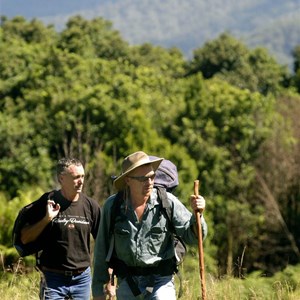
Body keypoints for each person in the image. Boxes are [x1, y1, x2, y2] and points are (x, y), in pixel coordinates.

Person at [92, 151, 207, 300]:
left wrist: (198, 214)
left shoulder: (167, 202)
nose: (150, 182)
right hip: (127, 282)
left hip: (161, 281)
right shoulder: (112, 206)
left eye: (152, 176)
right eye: (143, 179)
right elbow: (102, 248)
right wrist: (98, 290)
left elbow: (193, 237)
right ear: (128, 180)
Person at [20, 157, 101, 300]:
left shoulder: (91, 206)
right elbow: (25, 238)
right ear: (62, 179)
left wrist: (107, 277)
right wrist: (46, 219)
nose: (81, 181)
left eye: (82, 176)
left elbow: (103, 243)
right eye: (76, 177)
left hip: (82, 279)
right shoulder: (47, 202)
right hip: (53, 279)